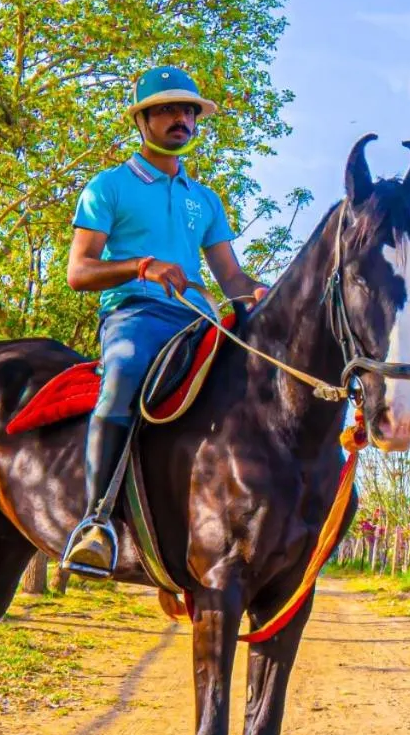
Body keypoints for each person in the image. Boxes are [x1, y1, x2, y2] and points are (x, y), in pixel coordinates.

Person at [62, 66, 269, 576]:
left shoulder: (206, 200)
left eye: (189, 111)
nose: (182, 119)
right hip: (135, 315)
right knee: (124, 374)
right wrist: (141, 266)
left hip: (198, 320)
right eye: (169, 110)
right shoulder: (108, 186)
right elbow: (78, 271)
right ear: (143, 120)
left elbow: (230, 276)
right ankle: (96, 522)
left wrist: (261, 293)